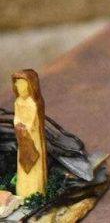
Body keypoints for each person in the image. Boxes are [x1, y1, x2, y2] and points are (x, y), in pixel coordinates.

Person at [12, 69, 47, 197]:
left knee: (35, 162)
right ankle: (23, 190)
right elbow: (16, 117)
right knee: (22, 160)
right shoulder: (17, 102)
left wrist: (25, 127)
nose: (21, 90)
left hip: (32, 136)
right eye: (18, 87)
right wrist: (18, 125)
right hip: (22, 136)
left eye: (23, 87)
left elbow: (32, 120)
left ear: (30, 86)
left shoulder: (33, 104)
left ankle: (35, 191)